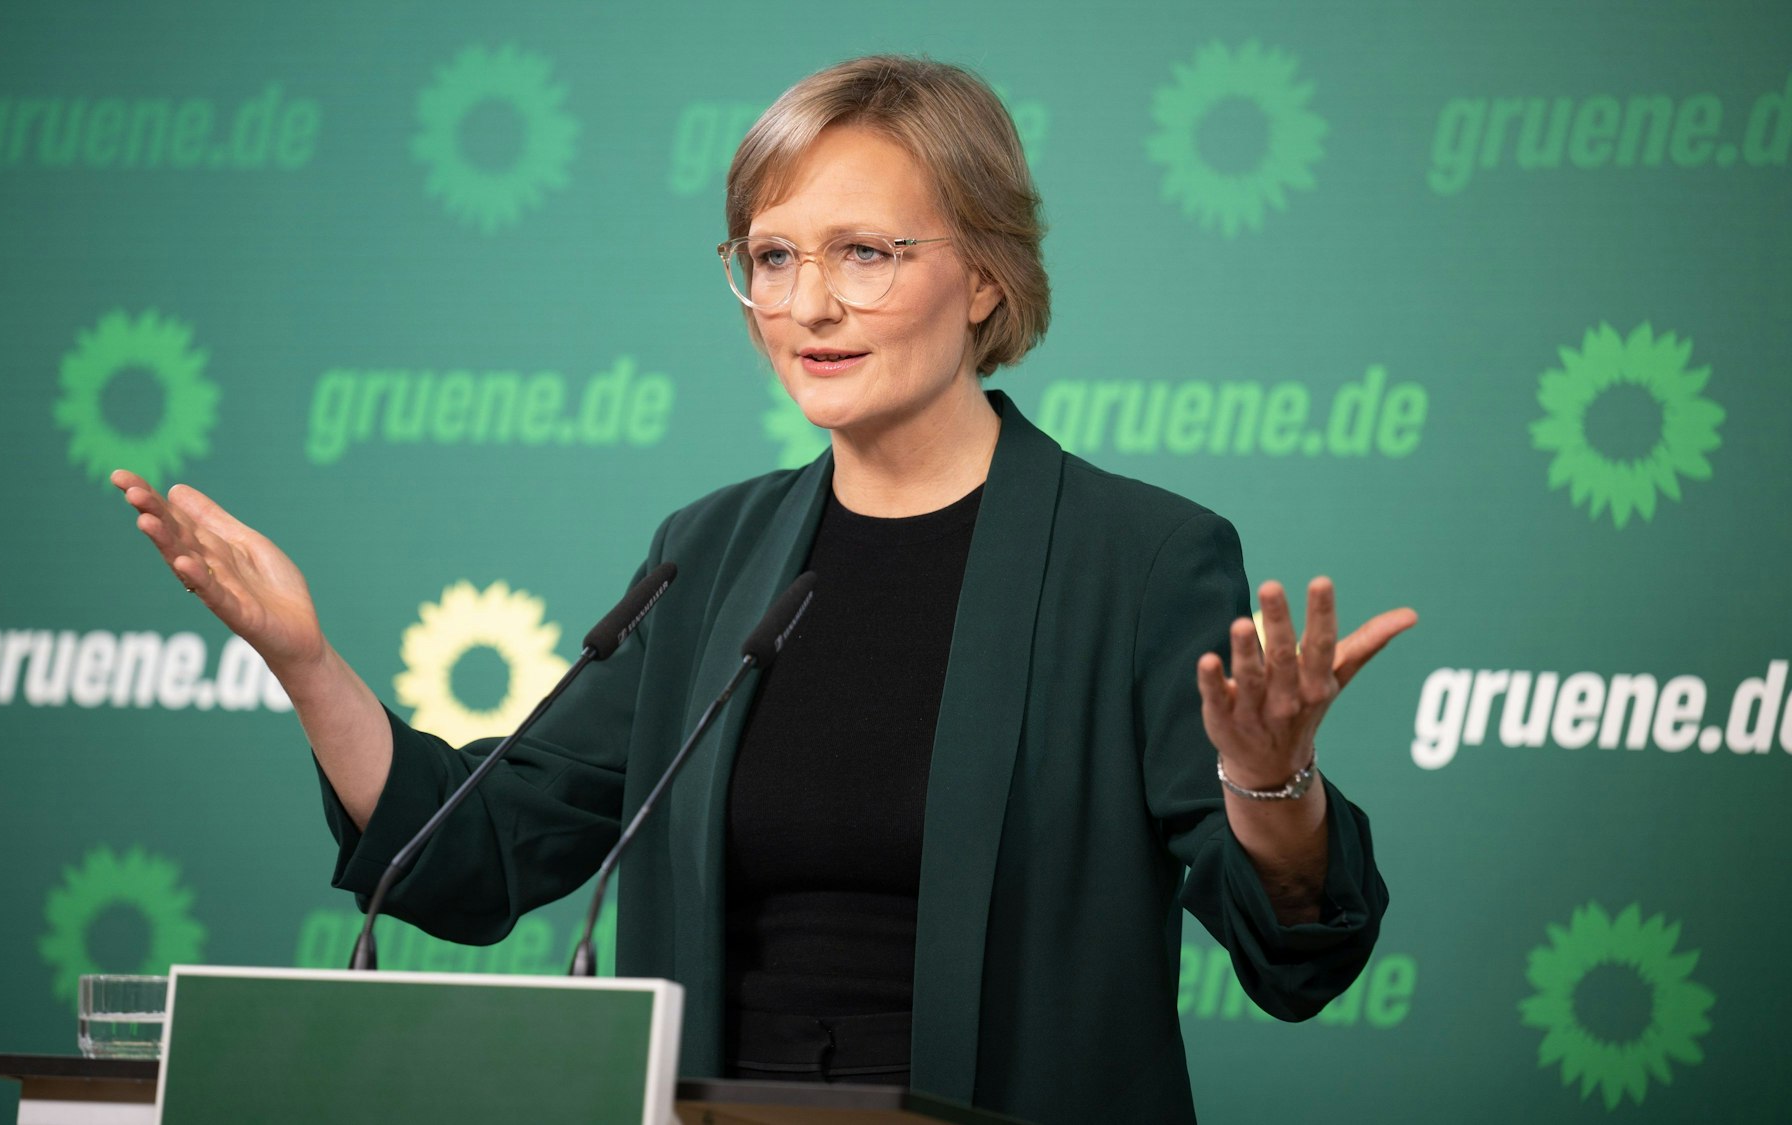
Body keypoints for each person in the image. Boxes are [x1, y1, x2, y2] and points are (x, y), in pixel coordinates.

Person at [112, 54, 1412, 1125]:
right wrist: (304, 661)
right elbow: (479, 851)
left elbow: (1295, 949)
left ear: (985, 277)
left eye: (864, 253)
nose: (808, 306)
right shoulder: (710, 552)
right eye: (773, 257)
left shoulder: (1136, 559)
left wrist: (1270, 785)